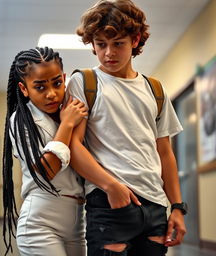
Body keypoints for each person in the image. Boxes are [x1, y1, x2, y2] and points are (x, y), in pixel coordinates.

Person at [67, 0, 187, 255]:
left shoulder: (155, 89)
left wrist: (177, 206)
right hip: (109, 202)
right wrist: (111, 186)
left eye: (118, 44)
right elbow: (74, 147)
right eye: (101, 44)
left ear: (135, 40)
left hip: (155, 205)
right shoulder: (85, 82)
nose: (108, 52)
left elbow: (165, 153)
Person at [2, 46, 88, 256]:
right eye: (40, 87)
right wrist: (67, 125)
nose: (51, 94)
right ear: (24, 89)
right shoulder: (21, 119)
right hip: (40, 224)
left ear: (64, 78)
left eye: (57, 83)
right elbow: (46, 170)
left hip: (78, 222)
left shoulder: (71, 111)